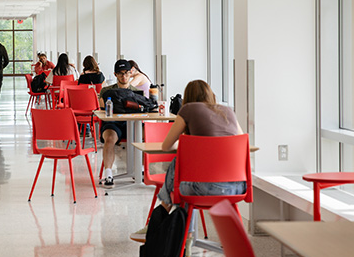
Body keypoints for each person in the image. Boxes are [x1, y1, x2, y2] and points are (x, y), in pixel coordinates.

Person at [131, 79, 245, 243]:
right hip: (236, 188)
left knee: (180, 174)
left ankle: (170, 225)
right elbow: (240, 141)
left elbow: (166, 146)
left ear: (188, 97)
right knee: (182, 171)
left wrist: (186, 142)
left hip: (203, 188)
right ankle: (184, 236)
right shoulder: (228, 111)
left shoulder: (188, 109)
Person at [97, 59, 144, 187]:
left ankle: (141, 170)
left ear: (131, 73)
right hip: (113, 124)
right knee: (110, 138)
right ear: (115, 74)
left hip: (133, 125)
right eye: (121, 73)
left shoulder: (137, 92)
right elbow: (102, 111)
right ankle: (108, 174)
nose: (124, 76)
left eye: (127, 73)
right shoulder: (106, 91)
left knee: (146, 135)